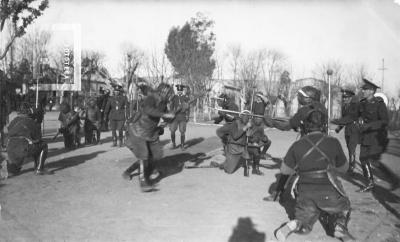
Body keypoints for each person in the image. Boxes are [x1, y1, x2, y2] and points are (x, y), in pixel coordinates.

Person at [273, 109, 354, 242]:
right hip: (329, 191)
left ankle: (296, 224)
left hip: (304, 192)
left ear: (305, 126)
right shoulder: (333, 142)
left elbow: (284, 170)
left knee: (306, 222)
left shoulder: (297, 144)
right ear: (324, 126)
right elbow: (344, 168)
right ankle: (339, 225)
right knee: (344, 205)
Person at [124, 83, 175, 191]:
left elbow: (167, 118)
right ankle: (143, 183)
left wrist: (178, 112)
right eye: (168, 92)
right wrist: (164, 115)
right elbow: (148, 110)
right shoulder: (151, 98)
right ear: (163, 92)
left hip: (150, 133)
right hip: (139, 131)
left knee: (156, 155)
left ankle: (128, 171)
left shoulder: (163, 103)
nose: (170, 95)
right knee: (144, 155)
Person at [355, 79, 389, 192]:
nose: (363, 91)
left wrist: (369, 126)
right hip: (365, 136)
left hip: (375, 136)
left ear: (371, 91)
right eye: (363, 89)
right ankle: (370, 183)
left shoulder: (379, 104)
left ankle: (391, 179)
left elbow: (384, 121)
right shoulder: (362, 103)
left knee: (372, 160)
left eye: (365, 89)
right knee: (362, 159)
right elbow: (358, 115)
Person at [5, 103, 51, 176]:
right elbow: (38, 139)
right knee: (43, 145)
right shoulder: (31, 122)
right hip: (22, 148)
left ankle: (12, 170)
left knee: (21, 147)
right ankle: (39, 169)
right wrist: (38, 124)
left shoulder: (14, 120)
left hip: (10, 148)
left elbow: (9, 132)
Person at [212, 110, 252, 174]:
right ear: (241, 116)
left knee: (248, 156)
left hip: (242, 148)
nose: (246, 118)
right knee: (229, 171)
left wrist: (249, 133)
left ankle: (229, 162)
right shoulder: (235, 123)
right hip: (233, 149)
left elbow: (248, 137)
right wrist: (245, 128)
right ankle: (221, 164)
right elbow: (235, 136)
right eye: (245, 116)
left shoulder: (247, 124)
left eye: (248, 117)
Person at [332, 89, 360, 173]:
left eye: (346, 97)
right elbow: (344, 120)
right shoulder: (344, 107)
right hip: (348, 130)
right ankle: (352, 164)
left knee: (352, 148)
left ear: (351, 97)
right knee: (349, 148)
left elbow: (349, 118)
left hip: (354, 130)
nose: (344, 99)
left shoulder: (355, 106)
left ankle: (351, 166)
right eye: (343, 97)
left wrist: (335, 121)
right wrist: (338, 129)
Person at [169, 84, 190, 150]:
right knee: (172, 130)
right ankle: (173, 143)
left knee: (182, 131)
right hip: (175, 117)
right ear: (177, 90)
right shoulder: (174, 97)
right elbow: (171, 107)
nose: (179, 92)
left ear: (182, 90)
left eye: (180, 90)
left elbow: (188, 108)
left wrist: (187, 116)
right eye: (178, 90)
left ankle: (182, 145)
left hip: (182, 116)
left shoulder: (186, 97)